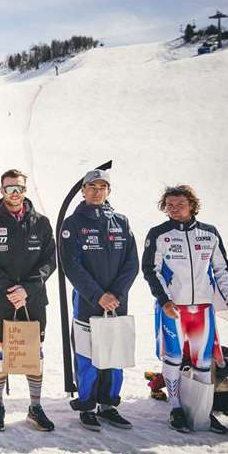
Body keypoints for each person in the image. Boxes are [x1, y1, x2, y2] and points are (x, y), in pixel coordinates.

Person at [142, 185, 228, 434]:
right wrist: (165, 300)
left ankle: (202, 411)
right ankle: (176, 408)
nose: (174, 209)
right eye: (169, 205)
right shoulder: (159, 234)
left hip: (202, 309)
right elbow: (150, 270)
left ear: (192, 205)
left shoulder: (209, 233)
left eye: (179, 204)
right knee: (173, 357)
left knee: (203, 362)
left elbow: (222, 270)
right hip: (173, 308)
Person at [0, 169, 56, 431]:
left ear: (25, 190)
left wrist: (27, 289)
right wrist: (12, 289)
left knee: (33, 351)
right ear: (2, 191)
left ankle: (35, 407)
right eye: (9, 188)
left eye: (18, 188)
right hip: (1, 299)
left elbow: (50, 261)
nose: (14, 193)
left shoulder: (41, 223)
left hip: (33, 299)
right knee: (0, 352)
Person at [59, 169, 139, 431]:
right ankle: (87, 406)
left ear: (109, 191)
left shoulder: (121, 222)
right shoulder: (72, 224)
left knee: (115, 354)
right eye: (92, 187)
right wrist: (98, 295)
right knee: (88, 355)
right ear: (83, 191)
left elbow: (132, 263)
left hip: (117, 303)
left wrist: (116, 294)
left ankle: (108, 405)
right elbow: (71, 265)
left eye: (102, 187)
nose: (97, 191)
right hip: (88, 302)